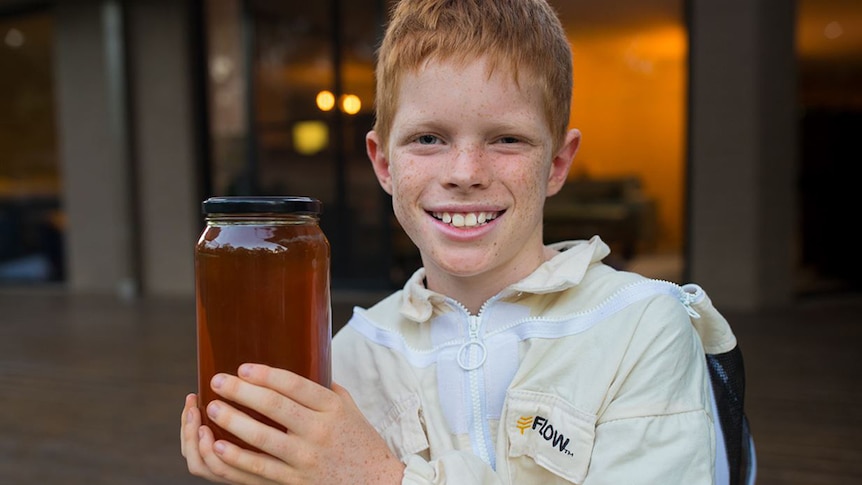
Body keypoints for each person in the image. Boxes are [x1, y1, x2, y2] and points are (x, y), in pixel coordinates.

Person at [181, 0, 721, 483]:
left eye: (506, 138)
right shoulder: (349, 357)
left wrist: (379, 480)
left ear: (557, 163)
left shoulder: (642, 328)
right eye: (428, 139)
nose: (465, 172)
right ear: (384, 163)